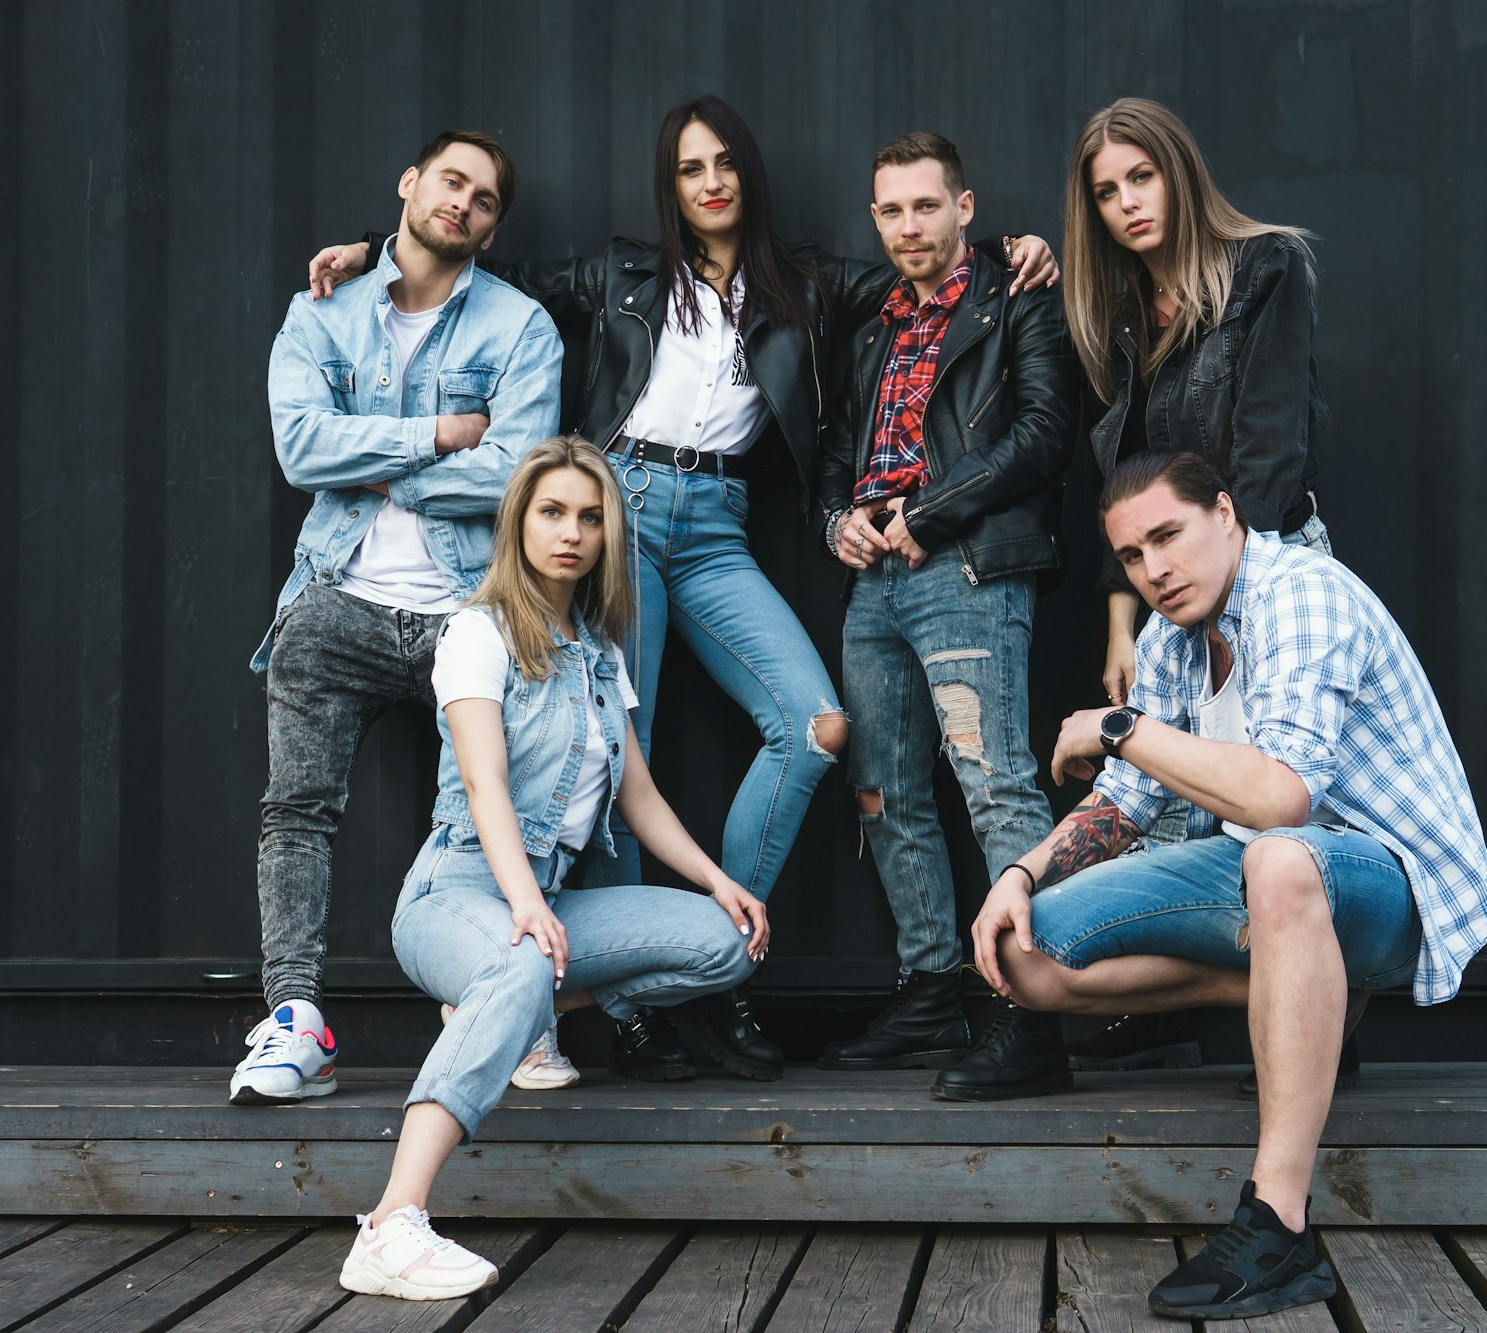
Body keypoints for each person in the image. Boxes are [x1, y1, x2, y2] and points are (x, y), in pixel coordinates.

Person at [305, 96, 1056, 1083]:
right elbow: (500, 276)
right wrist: (374, 247)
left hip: (716, 524)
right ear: (671, 187)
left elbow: (924, 264)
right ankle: (641, 1011)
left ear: (745, 175)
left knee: (816, 724)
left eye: (723, 165)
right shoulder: (621, 271)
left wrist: (1003, 246)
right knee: (619, 755)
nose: (709, 181)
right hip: (615, 508)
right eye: (689, 168)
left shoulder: (808, 285)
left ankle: (699, 969)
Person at [963, 450, 1487, 1320]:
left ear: (1225, 512)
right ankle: (1307, 987)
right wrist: (1019, 874)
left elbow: (1283, 795)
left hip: (1389, 881)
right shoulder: (1175, 639)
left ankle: (1278, 1226)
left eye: (1168, 536)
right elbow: (1124, 802)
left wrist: (1117, 725)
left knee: (1280, 855)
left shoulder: (1302, 593)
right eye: (1133, 557)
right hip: (1268, 881)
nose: (1155, 571)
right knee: (1028, 956)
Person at [338, 436, 767, 1301]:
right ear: (519, 521)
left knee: (727, 942)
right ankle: (391, 1222)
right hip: (455, 890)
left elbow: (637, 793)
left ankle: (502, 1003)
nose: (571, 531)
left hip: (542, 911)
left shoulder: (600, 653)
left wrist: (717, 879)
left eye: (589, 515)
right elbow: (488, 787)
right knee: (523, 958)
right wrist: (528, 907)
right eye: (551, 512)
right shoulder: (475, 630)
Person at [232, 130, 563, 1107]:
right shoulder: (320, 314)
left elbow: (518, 469)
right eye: (450, 182)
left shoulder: (519, 327)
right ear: (411, 184)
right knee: (295, 812)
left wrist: (377, 465)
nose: (463, 203)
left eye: (485, 198)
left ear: (495, 226)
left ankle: (497, 1008)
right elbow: (300, 449)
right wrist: (430, 436)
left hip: (470, 608)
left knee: (498, 814)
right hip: (335, 597)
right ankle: (295, 1022)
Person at [1059, 96, 1335, 1075]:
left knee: (1284, 805)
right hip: (1171, 586)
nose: (1127, 202)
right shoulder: (1124, 319)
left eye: (1141, 177)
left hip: (1268, 567)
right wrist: (1123, 621)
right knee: (1169, 789)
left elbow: (1266, 451)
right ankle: (1180, 1002)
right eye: (1104, 191)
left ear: (1177, 173)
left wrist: (1219, 614)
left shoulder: (1265, 267)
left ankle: (1325, 1019)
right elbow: (1126, 482)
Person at [812, 133, 1077, 1081]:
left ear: (965, 207)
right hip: (872, 580)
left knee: (995, 782)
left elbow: (1048, 432)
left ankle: (1034, 1012)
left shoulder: (1017, 295)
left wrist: (929, 513)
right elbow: (838, 448)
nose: (908, 225)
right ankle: (929, 997)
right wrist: (837, 520)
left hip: (964, 567)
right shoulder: (874, 322)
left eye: (927, 206)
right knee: (883, 791)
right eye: (891, 210)